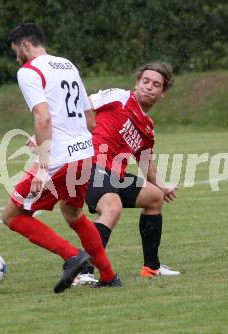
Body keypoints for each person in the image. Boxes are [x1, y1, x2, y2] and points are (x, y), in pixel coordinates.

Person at [1, 23, 120, 293]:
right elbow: (89, 118)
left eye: (15, 51)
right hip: (84, 154)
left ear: (25, 46)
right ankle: (109, 276)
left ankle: (71, 256)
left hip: (59, 158)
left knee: (13, 216)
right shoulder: (67, 65)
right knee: (73, 212)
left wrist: (43, 166)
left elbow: (43, 116)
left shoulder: (28, 71)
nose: (16, 57)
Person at [73, 63, 180, 286]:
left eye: (156, 85)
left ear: (163, 93)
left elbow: (146, 164)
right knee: (112, 208)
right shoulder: (119, 97)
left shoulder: (147, 128)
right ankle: (81, 271)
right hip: (90, 165)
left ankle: (152, 267)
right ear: (137, 83)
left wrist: (162, 186)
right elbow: (79, 107)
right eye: (146, 81)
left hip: (115, 173)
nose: (149, 87)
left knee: (154, 197)